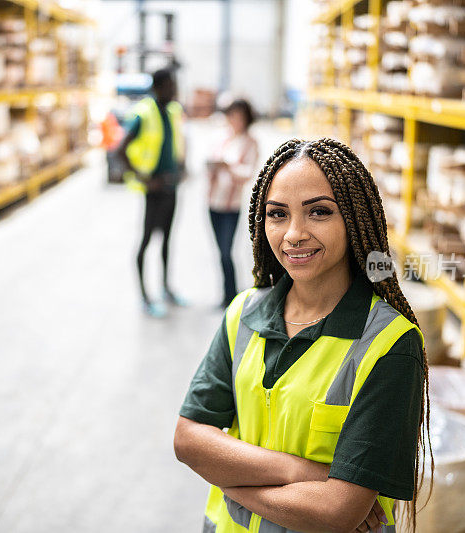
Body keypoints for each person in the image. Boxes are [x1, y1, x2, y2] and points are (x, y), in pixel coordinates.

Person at [174, 139, 431, 533]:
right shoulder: (243, 314)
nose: (294, 233)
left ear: (355, 220)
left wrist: (226, 477)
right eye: (277, 214)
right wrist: (302, 471)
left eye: (319, 212)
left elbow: (336, 512)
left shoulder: (391, 344)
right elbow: (189, 440)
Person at [117, 68, 186, 318]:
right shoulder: (143, 113)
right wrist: (144, 179)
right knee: (146, 242)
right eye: (169, 86)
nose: (174, 90)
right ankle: (145, 297)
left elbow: (176, 144)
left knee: (167, 239)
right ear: (158, 87)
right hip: (154, 191)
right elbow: (120, 149)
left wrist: (182, 167)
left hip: (171, 187)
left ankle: (166, 288)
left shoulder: (172, 111)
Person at [207, 99, 258, 307]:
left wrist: (227, 167)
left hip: (231, 204)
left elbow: (247, 173)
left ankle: (232, 296)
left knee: (227, 251)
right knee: (220, 251)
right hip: (213, 201)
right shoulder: (223, 138)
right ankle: (226, 293)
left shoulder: (250, 143)